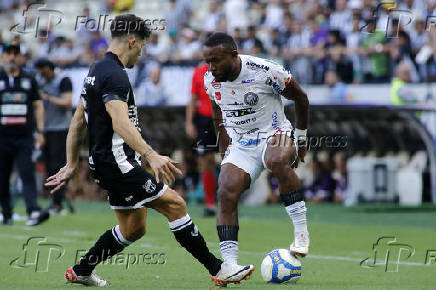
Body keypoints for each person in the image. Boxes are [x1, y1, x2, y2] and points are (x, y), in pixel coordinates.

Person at [45, 14, 253, 287]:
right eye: (141, 47)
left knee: (135, 228)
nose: (140, 55)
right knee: (175, 204)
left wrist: (72, 164)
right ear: (132, 41)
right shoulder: (115, 75)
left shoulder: (96, 70)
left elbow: (77, 122)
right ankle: (218, 269)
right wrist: (151, 154)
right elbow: (119, 122)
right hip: (118, 163)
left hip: (105, 163)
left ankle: (82, 270)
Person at [202, 32, 310, 269]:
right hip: (241, 143)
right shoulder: (210, 80)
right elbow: (217, 115)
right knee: (225, 191)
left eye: (216, 60)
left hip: (274, 133)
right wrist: (224, 151)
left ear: (233, 55)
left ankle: (301, 233)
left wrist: (301, 139)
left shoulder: (264, 71)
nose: (211, 67)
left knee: (277, 160)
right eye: (207, 61)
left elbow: (301, 98)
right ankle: (230, 265)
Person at [0, 44, 49, 226]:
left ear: (21, 57)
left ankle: (33, 212)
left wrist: (41, 131)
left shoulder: (29, 79)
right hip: (2, 137)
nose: (12, 58)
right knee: (3, 177)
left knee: (27, 173)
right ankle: (6, 214)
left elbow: (38, 105)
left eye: (15, 54)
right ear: (3, 56)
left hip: (24, 137)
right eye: (8, 54)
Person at [35, 58, 73, 214]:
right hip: (46, 130)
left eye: (43, 71)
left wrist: (47, 98)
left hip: (61, 129)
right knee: (49, 167)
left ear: (49, 69)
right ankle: (54, 201)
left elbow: (68, 102)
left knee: (58, 166)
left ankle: (58, 203)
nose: (41, 75)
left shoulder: (63, 79)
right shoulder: (40, 81)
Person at [186, 62, 218, 217]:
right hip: (204, 120)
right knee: (206, 162)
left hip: (224, 119)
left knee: (230, 160)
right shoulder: (198, 71)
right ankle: (210, 204)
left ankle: (228, 201)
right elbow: (193, 98)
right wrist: (189, 123)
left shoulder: (225, 68)